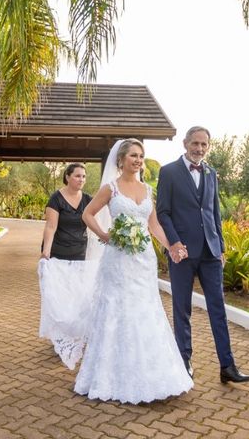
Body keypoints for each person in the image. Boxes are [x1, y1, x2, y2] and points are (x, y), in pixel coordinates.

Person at [75, 138, 193, 404]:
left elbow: (154, 226)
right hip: (117, 261)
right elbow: (88, 214)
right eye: (133, 156)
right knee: (117, 310)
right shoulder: (111, 188)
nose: (138, 160)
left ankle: (152, 372)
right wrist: (105, 235)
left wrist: (171, 246)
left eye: (141, 156)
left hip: (143, 261)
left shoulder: (147, 190)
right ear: (121, 160)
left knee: (145, 309)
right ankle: (111, 375)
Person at [156, 126, 249, 384]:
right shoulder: (169, 172)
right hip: (182, 253)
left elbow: (214, 212)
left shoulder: (211, 172)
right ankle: (183, 360)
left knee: (218, 308)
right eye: (195, 143)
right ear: (185, 143)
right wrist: (174, 243)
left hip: (210, 252)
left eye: (204, 145)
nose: (199, 149)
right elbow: (162, 212)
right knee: (182, 309)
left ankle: (227, 366)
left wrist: (220, 246)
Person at [38, 163, 94, 369]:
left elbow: (97, 223)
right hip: (58, 255)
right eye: (78, 176)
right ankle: (60, 335)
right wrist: (46, 253)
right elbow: (51, 227)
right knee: (60, 298)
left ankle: (75, 335)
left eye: (84, 176)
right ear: (68, 177)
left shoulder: (88, 200)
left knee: (78, 296)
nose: (81, 179)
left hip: (80, 254)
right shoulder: (56, 198)